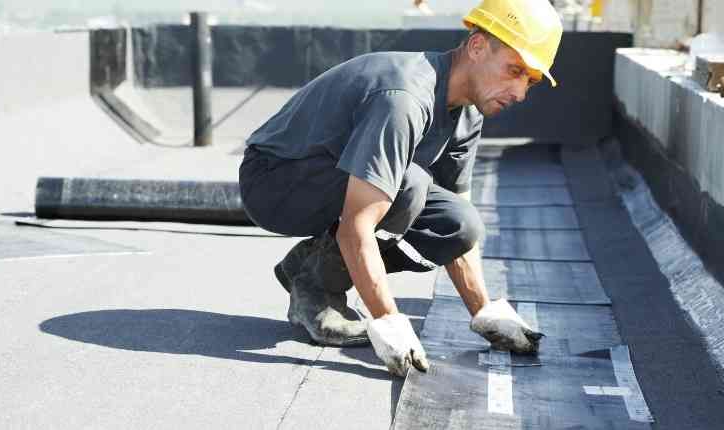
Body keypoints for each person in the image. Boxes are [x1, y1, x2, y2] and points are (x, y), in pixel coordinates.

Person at [239, 0, 563, 377]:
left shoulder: (469, 111)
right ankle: (315, 290)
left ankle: (308, 264)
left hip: (335, 182)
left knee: (459, 224)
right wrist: (388, 320)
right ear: (476, 47)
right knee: (408, 186)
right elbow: (359, 223)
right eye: (514, 70)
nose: (520, 91)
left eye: (530, 79)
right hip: (276, 180)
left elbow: (455, 212)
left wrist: (484, 311)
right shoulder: (406, 98)